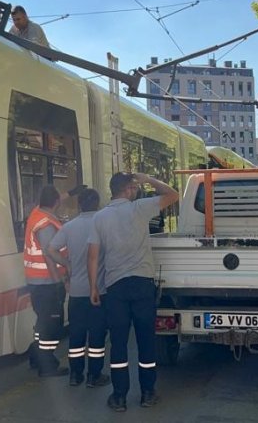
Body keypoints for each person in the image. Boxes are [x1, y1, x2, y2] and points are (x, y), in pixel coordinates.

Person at [87, 172, 179, 412]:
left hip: (115, 287)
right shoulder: (140, 208)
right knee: (145, 340)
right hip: (142, 285)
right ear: (127, 189)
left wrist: (93, 287)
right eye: (134, 187)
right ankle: (148, 393)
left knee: (118, 343)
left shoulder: (99, 218)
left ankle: (119, 397)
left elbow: (93, 256)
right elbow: (173, 195)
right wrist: (148, 179)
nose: (136, 190)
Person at [46, 189, 111, 388]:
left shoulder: (69, 227)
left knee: (76, 335)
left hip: (76, 291)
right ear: (98, 203)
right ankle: (94, 375)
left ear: (80, 205)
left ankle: (75, 375)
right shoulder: (104, 225)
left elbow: (50, 249)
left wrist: (67, 264)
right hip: (99, 291)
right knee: (97, 336)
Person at [24, 185, 69, 377]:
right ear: (56, 202)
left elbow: (56, 198)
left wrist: (71, 192)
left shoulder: (36, 213)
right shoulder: (46, 224)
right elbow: (50, 255)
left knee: (42, 322)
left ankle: (36, 356)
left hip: (35, 282)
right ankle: (47, 365)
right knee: (52, 325)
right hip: (48, 283)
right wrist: (59, 281)